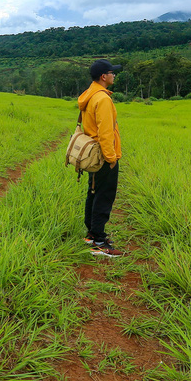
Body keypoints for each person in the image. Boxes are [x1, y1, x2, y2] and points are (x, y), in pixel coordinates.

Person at [78, 59, 124, 257]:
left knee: (94, 192)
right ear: (103, 77)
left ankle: (91, 234)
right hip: (103, 155)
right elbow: (105, 132)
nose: (114, 75)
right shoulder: (103, 99)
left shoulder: (89, 94)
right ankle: (98, 241)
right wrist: (111, 157)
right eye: (112, 72)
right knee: (104, 196)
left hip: (92, 154)